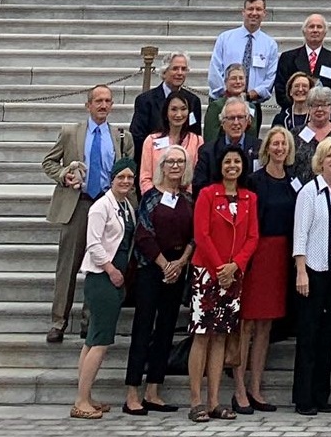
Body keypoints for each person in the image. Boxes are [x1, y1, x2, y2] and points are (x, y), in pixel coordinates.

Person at [43, 85, 133, 343]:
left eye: (108, 101)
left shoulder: (121, 136)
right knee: (68, 266)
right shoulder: (71, 133)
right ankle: (58, 321)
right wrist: (64, 175)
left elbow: (127, 169)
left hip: (105, 203)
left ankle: (89, 320)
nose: (103, 105)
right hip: (78, 203)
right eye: (98, 101)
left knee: (99, 263)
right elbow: (49, 162)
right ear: (88, 105)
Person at [188, 146, 258, 422]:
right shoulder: (207, 194)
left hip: (233, 275)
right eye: (227, 161)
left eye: (237, 161)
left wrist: (235, 266)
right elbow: (201, 235)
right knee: (202, 335)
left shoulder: (249, 198)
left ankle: (214, 401)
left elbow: (252, 237)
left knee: (221, 337)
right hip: (207, 273)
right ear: (220, 166)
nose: (232, 166)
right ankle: (196, 401)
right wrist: (220, 269)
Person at [125, 146, 193, 415]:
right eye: (170, 161)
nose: (175, 166)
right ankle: (132, 392)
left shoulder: (188, 199)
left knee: (166, 329)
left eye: (180, 161)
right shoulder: (151, 197)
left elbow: (195, 235)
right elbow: (143, 234)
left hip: (177, 269)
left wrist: (181, 262)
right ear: (162, 166)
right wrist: (165, 265)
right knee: (143, 328)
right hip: (152, 269)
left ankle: (153, 390)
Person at [70, 158, 138, 420]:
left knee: (92, 340)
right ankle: (80, 401)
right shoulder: (101, 206)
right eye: (121, 177)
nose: (125, 181)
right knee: (100, 341)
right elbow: (94, 244)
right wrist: (111, 269)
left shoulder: (126, 206)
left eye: (129, 177)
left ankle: (86, 395)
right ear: (112, 179)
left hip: (116, 278)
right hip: (102, 278)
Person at [290, 136, 331, 416]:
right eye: (330, 155)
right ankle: (304, 397)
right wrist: (301, 271)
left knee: (328, 334)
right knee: (309, 333)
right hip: (314, 266)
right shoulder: (309, 192)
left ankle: (321, 394)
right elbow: (300, 233)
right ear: (320, 160)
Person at [234, 127, 294, 414]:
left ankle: (256, 387)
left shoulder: (293, 182)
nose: (279, 148)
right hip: (257, 254)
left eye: (284, 144)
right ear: (267, 147)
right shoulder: (254, 181)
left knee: (265, 326)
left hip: (280, 256)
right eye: (275, 143)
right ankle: (238, 388)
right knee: (246, 323)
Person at [130, 52, 202, 167]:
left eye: (183, 69)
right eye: (175, 69)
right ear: (164, 72)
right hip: (153, 164)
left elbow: (195, 136)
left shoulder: (193, 101)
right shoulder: (146, 100)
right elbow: (137, 136)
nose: (180, 73)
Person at [207, 0, 277, 104]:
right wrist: (229, 93)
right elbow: (215, 70)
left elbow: (270, 77)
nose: (254, 13)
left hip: (252, 103)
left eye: (258, 9)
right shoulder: (225, 38)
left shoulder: (270, 45)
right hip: (222, 101)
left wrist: (250, 95)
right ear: (243, 12)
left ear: (264, 13)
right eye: (250, 9)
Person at [138, 92, 203, 194]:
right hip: (156, 198)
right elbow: (145, 178)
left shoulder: (197, 141)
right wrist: (155, 198)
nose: (179, 114)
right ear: (166, 112)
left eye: (183, 109)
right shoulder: (151, 141)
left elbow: (197, 177)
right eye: (174, 109)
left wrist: (184, 198)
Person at [274, 14, 331, 109]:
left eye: (319, 27)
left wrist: (320, 109)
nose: (315, 30)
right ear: (304, 31)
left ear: (325, 32)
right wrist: (298, 108)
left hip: (322, 113)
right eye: (311, 27)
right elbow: (280, 90)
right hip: (293, 112)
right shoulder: (288, 58)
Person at [192, 98, 259, 193]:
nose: (236, 122)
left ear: (248, 121)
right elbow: (199, 186)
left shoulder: (260, 148)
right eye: (231, 118)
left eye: (240, 117)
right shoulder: (207, 151)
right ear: (222, 122)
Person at [291, 86, 331, 183]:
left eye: (324, 105)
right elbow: (290, 166)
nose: (319, 109)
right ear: (308, 108)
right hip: (301, 189)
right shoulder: (296, 133)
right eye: (315, 105)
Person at [204, 64, 260, 143]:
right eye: (233, 78)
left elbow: (253, 136)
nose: (238, 82)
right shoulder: (216, 106)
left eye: (241, 78)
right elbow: (210, 137)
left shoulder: (251, 107)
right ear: (226, 82)